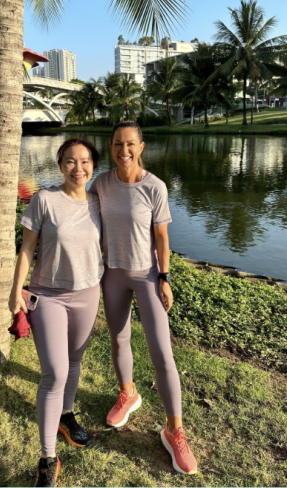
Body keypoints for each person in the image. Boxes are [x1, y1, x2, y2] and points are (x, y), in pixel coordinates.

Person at [89, 120, 198, 475]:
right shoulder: (101, 184)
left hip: (147, 275)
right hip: (113, 274)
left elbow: (162, 239)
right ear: (110, 147)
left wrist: (164, 278)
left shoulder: (155, 187)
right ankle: (128, 393)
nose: (124, 150)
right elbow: (80, 212)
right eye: (118, 144)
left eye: (130, 144)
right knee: (119, 339)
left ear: (141, 146)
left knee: (162, 353)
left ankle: (174, 430)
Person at [9, 138, 104, 487]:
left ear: (94, 165)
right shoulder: (44, 199)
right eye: (70, 162)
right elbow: (27, 248)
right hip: (48, 295)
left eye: (85, 161)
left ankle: (66, 416)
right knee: (55, 373)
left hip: (88, 293)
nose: (78, 168)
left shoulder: (99, 202)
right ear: (60, 165)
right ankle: (48, 457)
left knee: (75, 362)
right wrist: (16, 289)